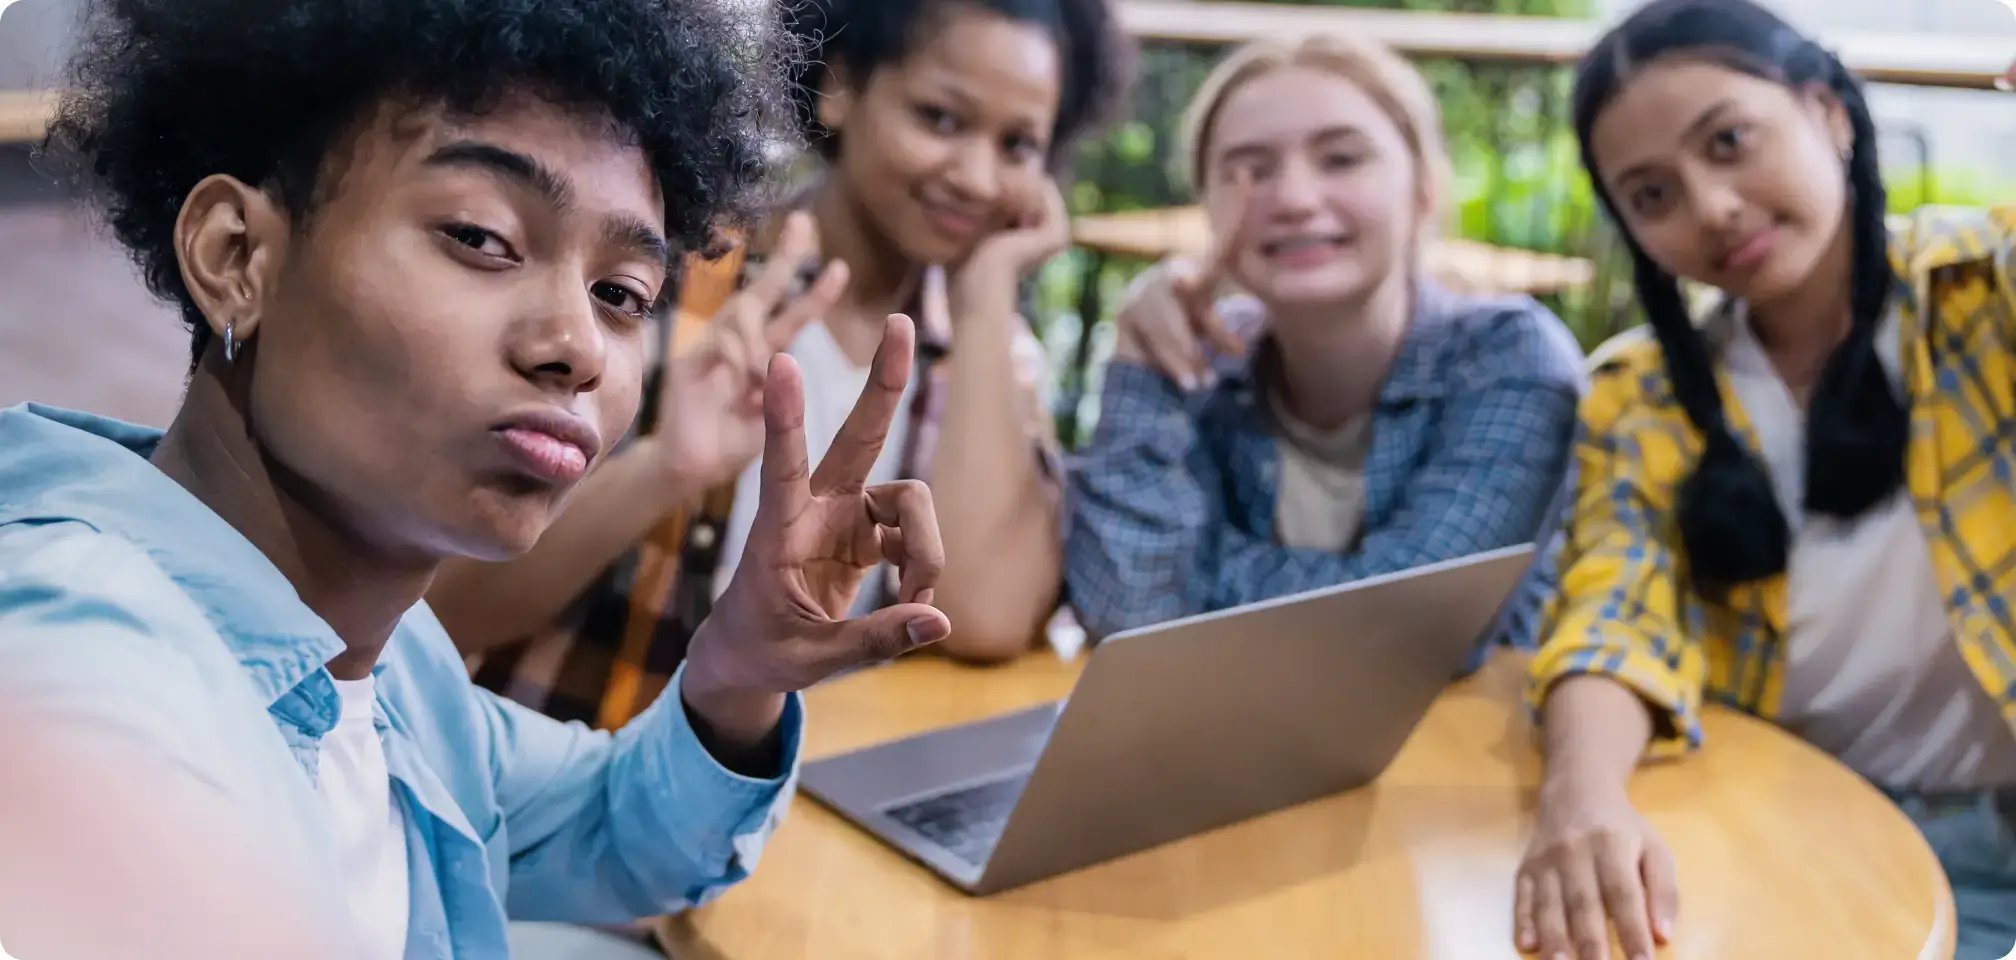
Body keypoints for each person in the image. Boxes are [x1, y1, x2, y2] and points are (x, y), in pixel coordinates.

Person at [0, 0, 952, 956]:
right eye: (482, 238)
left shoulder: (396, 658)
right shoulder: (87, 657)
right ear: (236, 255)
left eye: (621, 294)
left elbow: (610, 828)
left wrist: (741, 669)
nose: (578, 347)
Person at [430, 0, 1133, 718]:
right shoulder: (660, 273)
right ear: (841, 87)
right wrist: (668, 468)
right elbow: (438, 617)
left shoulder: (986, 350)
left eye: (1017, 146)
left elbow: (985, 619)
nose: (978, 178)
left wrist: (985, 301)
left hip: (800, 793)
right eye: (940, 118)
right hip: (582, 781)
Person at [1518, 2, 2016, 958]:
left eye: (1731, 141)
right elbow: (1613, 609)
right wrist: (1580, 802)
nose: (1712, 206)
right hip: (1780, 832)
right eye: (1652, 195)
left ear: (1827, 110)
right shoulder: (1640, 396)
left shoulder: (1975, 291)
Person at [1064, 34, 1583, 652]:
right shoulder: (1199, 363)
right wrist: (1139, 360)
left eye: (1341, 159)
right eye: (1250, 170)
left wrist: (1191, 578)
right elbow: (1126, 611)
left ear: (1423, 190)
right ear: (1208, 207)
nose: (1293, 199)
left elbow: (1410, 633)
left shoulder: (1511, 358)